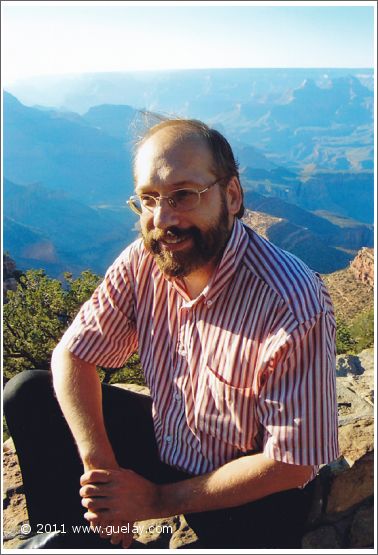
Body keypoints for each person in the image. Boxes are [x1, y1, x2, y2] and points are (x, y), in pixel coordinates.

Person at [4, 118, 339, 550]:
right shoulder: (145, 260)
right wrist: (102, 476)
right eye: (148, 199)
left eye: (183, 195)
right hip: (172, 443)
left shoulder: (292, 301)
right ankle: (73, 544)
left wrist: (154, 500)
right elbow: (73, 356)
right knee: (29, 394)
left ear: (232, 196)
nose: (163, 219)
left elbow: (291, 464)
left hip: (250, 488)